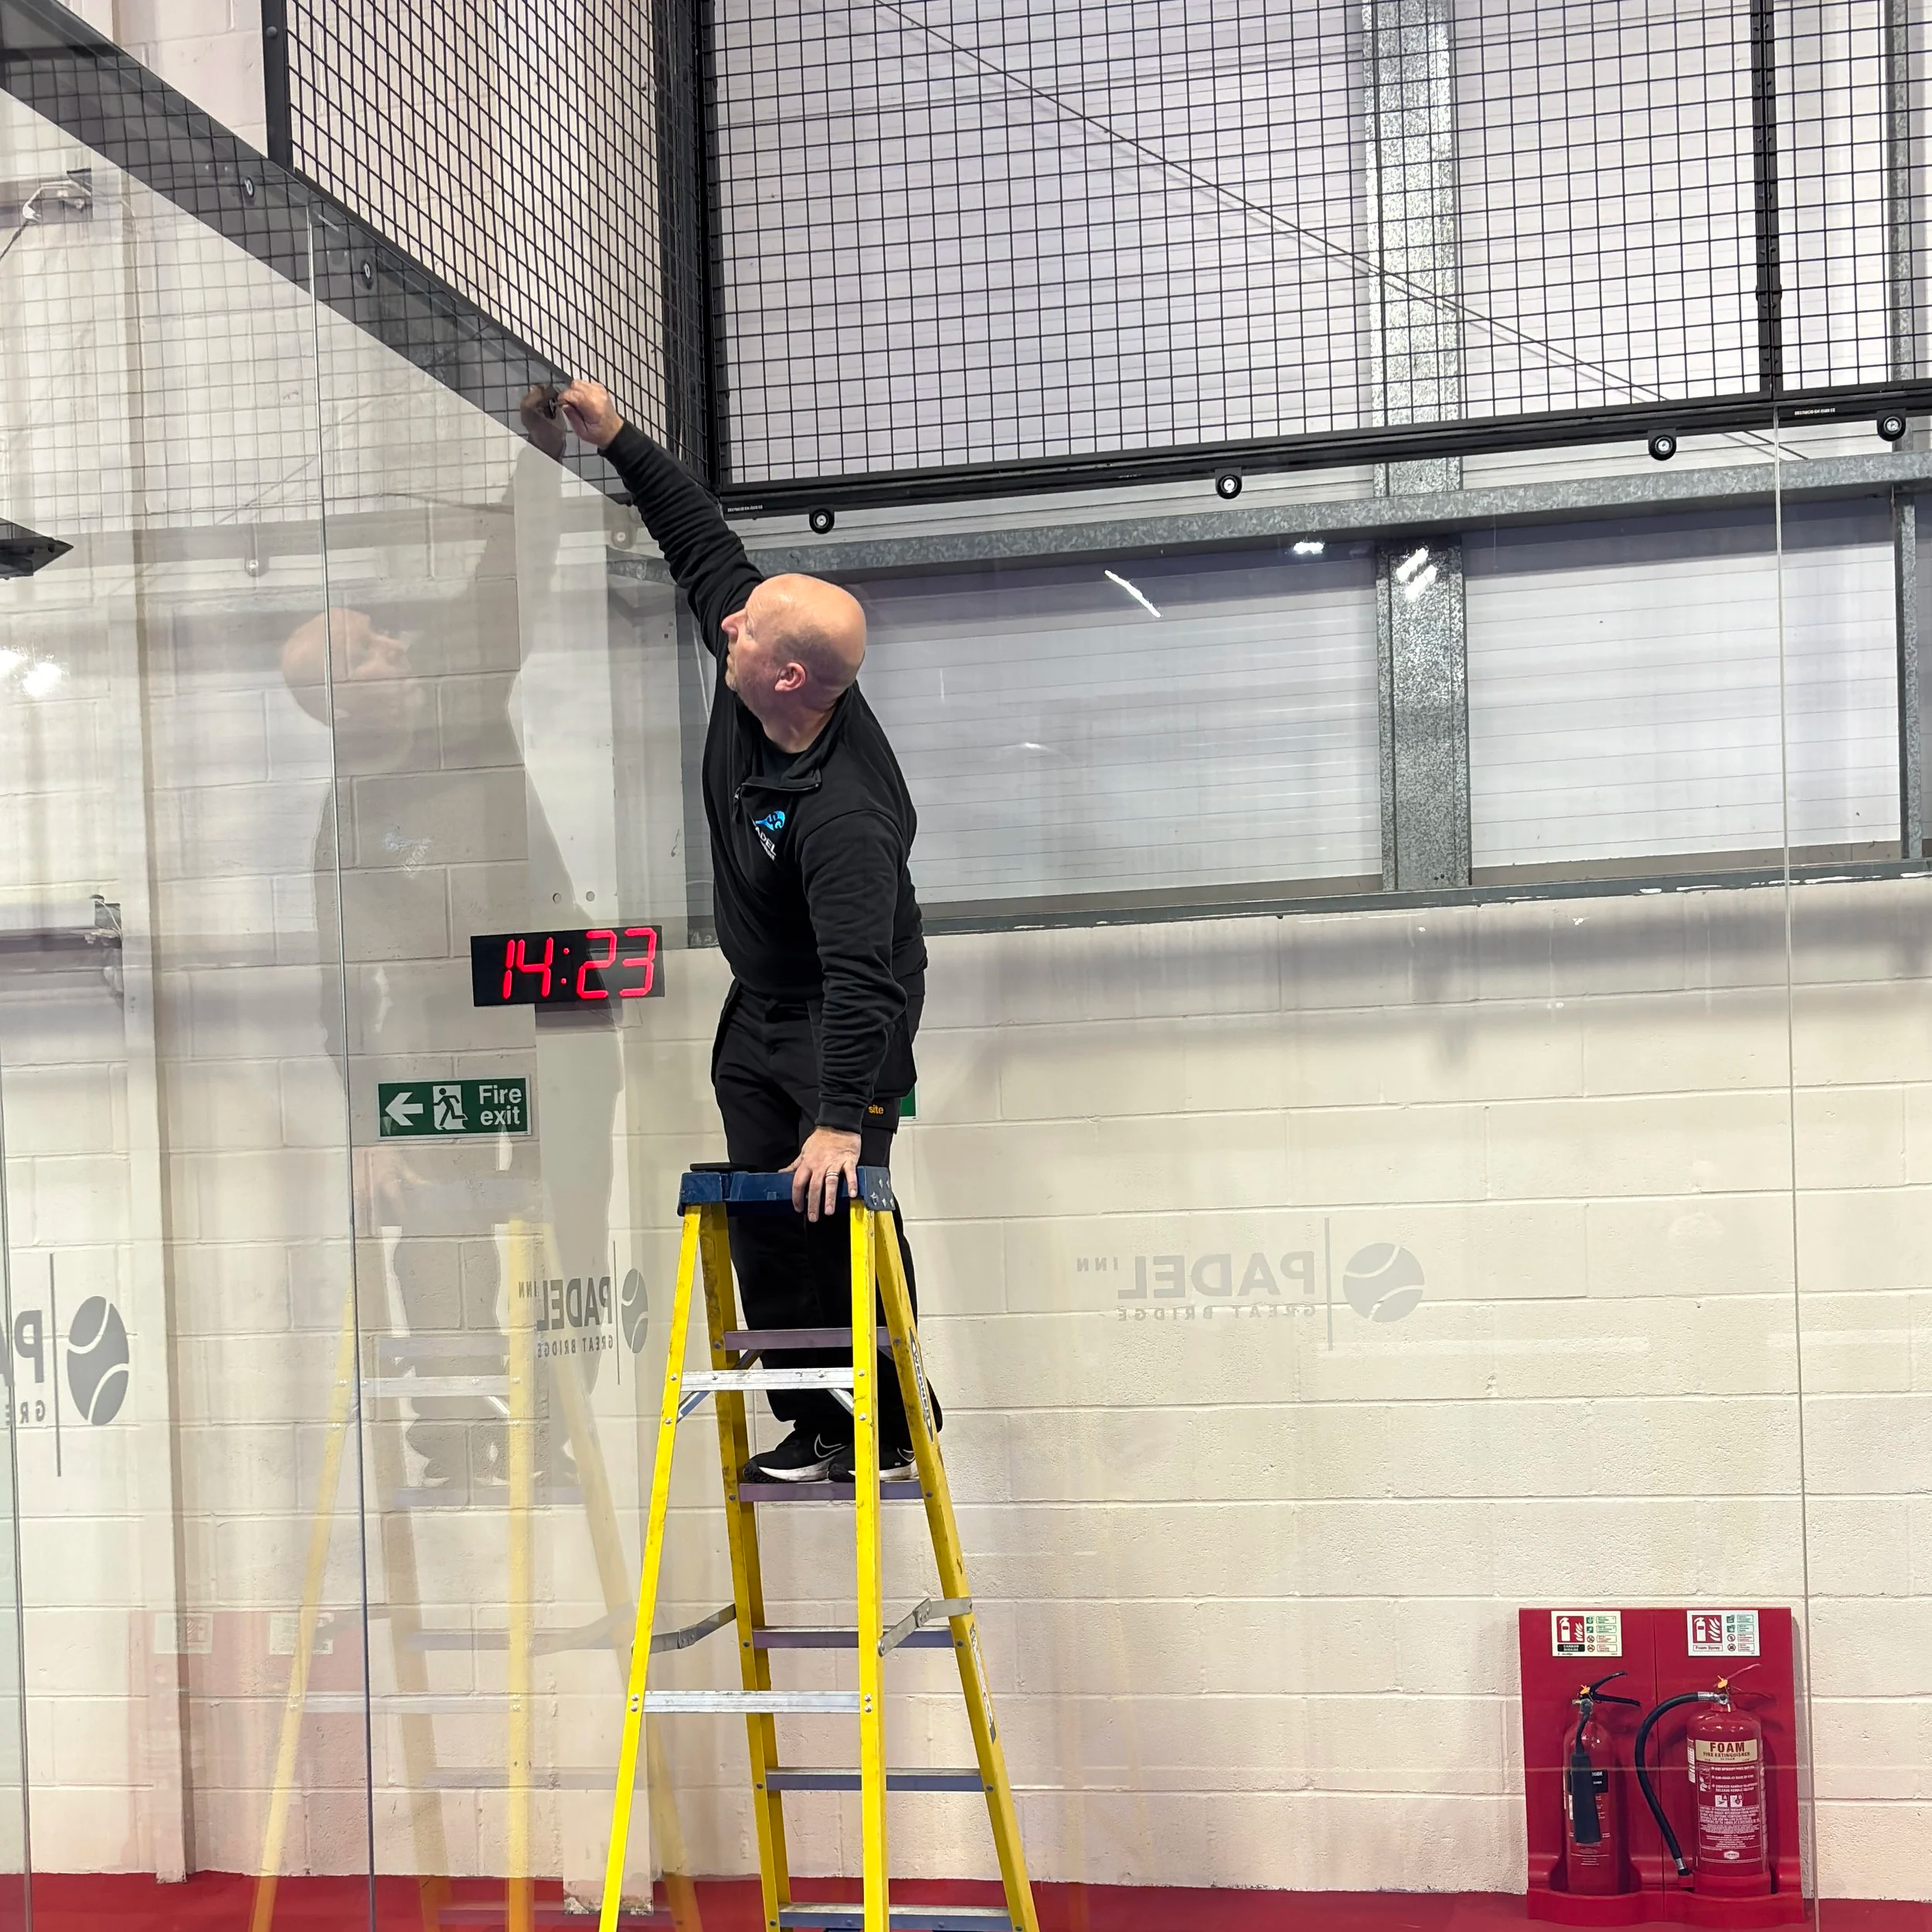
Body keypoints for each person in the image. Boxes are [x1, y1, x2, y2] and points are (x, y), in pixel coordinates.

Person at [557, 378, 938, 1485]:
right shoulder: (753, 668)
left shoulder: (846, 816)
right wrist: (619, 439)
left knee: (839, 1208)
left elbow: (870, 978)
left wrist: (844, 1120)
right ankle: (818, 1420)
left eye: (749, 625)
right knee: (768, 1221)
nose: (727, 620)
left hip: (844, 1017)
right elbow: (699, 543)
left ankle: (897, 1419)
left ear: (785, 672)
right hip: (759, 1006)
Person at [280, 386, 621, 1492]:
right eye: (373, 650)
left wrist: (544, 454)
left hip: (556, 1003)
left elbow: (507, 587)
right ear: (338, 702)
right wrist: (370, 1126)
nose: (399, 647)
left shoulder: (468, 702)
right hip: (446, 1035)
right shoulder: (346, 823)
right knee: (433, 1220)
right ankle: (460, 1439)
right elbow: (346, 987)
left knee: (565, 1220)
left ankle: (550, 1439)